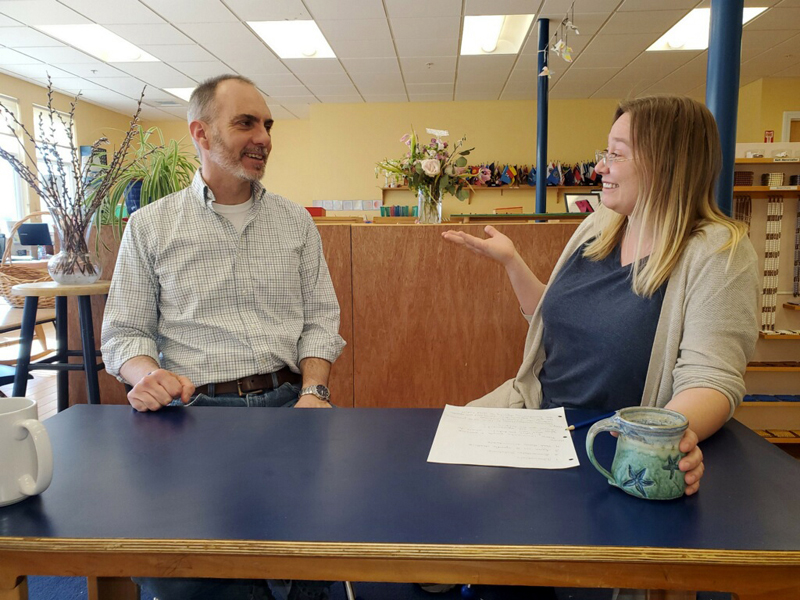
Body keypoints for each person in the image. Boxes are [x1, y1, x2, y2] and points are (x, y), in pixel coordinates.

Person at [440, 95, 760, 597]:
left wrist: (660, 441)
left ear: (665, 162)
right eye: (603, 152)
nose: (599, 167)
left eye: (616, 154)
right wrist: (512, 262)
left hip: (606, 451)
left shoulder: (718, 252)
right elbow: (562, 323)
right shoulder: (599, 226)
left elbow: (712, 379)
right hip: (538, 424)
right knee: (448, 491)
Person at [101, 74, 345, 600]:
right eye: (245, 123)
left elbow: (322, 321)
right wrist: (147, 377)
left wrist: (314, 391)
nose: (264, 137)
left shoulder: (295, 222)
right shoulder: (148, 227)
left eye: (267, 124)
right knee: (195, 580)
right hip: (196, 419)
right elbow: (124, 333)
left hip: (291, 410)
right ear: (202, 134)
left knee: (311, 570)